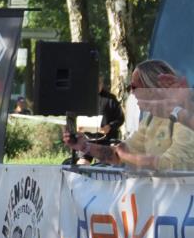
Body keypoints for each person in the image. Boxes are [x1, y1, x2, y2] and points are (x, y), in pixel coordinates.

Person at [64, 60, 194, 171]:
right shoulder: (150, 119)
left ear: (151, 87)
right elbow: (118, 155)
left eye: (133, 87)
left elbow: (173, 165)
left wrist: (129, 157)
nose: (131, 92)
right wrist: (84, 146)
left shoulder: (183, 115)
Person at [96, 76, 124, 140]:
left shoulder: (111, 98)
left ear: (102, 84)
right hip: (86, 141)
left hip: (107, 140)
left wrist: (110, 126)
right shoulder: (84, 99)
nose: (97, 85)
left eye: (99, 83)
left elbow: (120, 118)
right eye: (95, 83)